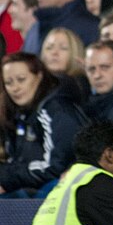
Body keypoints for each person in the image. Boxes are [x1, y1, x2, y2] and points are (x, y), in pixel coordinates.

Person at [0, 52, 88, 195]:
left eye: (21, 79)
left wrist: (7, 179)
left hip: (62, 187)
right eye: (9, 83)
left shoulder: (56, 110)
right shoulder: (20, 113)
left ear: (39, 76)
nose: (15, 88)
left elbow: (54, 168)